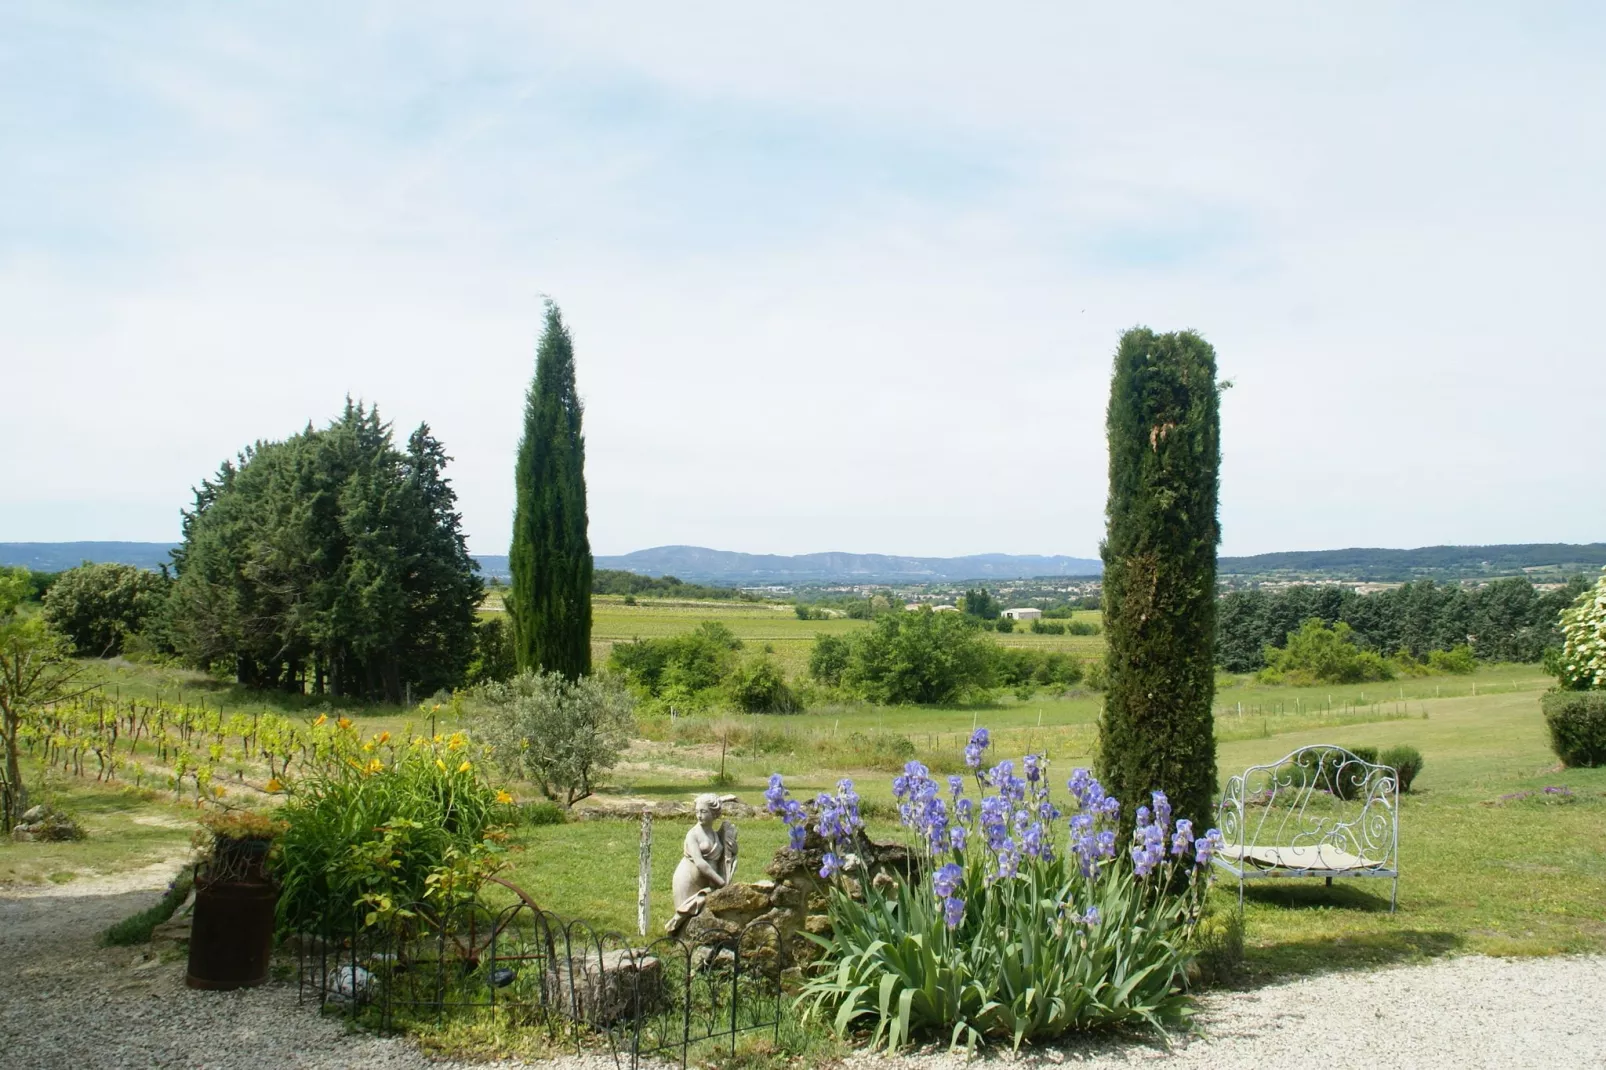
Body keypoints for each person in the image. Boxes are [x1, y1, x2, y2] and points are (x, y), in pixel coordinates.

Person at [666, 793, 738, 934]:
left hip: (708, 882)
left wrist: (732, 846)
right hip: (688, 881)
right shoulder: (693, 835)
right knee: (685, 920)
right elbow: (700, 863)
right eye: (697, 811)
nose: (699, 815)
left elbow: (725, 854)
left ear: (714, 813)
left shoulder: (715, 834)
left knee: (703, 915)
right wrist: (721, 882)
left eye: (703, 812)